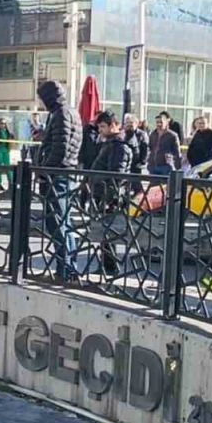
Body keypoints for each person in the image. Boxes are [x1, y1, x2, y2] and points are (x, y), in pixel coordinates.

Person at [35, 81, 81, 280]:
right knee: (64, 221)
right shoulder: (70, 112)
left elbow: (60, 148)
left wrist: (44, 170)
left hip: (57, 175)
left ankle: (65, 269)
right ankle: (68, 267)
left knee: (58, 223)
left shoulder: (61, 114)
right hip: (65, 173)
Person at [89, 111, 133, 276]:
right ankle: (107, 264)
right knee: (104, 233)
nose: (100, 130)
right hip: (104, 194)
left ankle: (111, 266)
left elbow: (116, 176)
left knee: (108, 232)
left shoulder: (118, 147)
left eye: (103, 126)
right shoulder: (110, 144)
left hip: (110, 197)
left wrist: (108, 198)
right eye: (99, 126)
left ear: (113, 126)